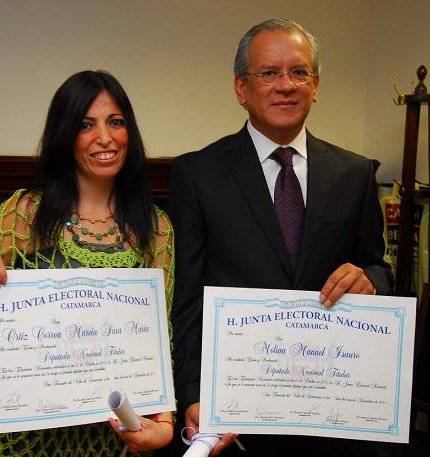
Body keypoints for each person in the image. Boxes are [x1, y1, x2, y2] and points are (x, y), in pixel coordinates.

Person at [167, 18, 394, 456]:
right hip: (236, 416)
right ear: (241, 88)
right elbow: (186, 299)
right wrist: (192, 393)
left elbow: (378, 269)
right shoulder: (198, 174)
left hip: (333, 413)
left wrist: (371, 279)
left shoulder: (355, 173)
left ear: (316, 85)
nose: (285, 85)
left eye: (299, 72)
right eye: (269, 73)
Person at [0, 70, 175, 456]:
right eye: (86, 125)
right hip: (29, 440)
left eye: (116, 122)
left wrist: (164, 424)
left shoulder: (156, 227)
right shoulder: (27, 211)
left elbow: (158, 339)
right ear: (65, 135)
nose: (105, 137)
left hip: (114, 437)